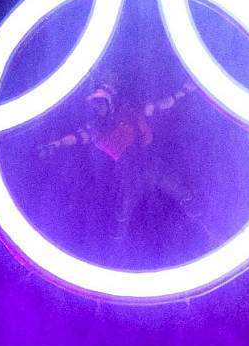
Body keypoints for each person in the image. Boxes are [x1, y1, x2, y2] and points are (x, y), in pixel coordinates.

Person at [37, 78, 204, 246]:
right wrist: (55, 144)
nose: (97, 107)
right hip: (127, 168)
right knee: (124, 208)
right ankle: (118, 241)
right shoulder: (96, 126)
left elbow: (160, 105)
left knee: (179, 190)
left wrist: (183, 91)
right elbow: (77, 137)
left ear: (109, 102)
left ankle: (199, 219)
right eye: (95, 104)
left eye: (100, 102)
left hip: (147, 160)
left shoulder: (129, 112)